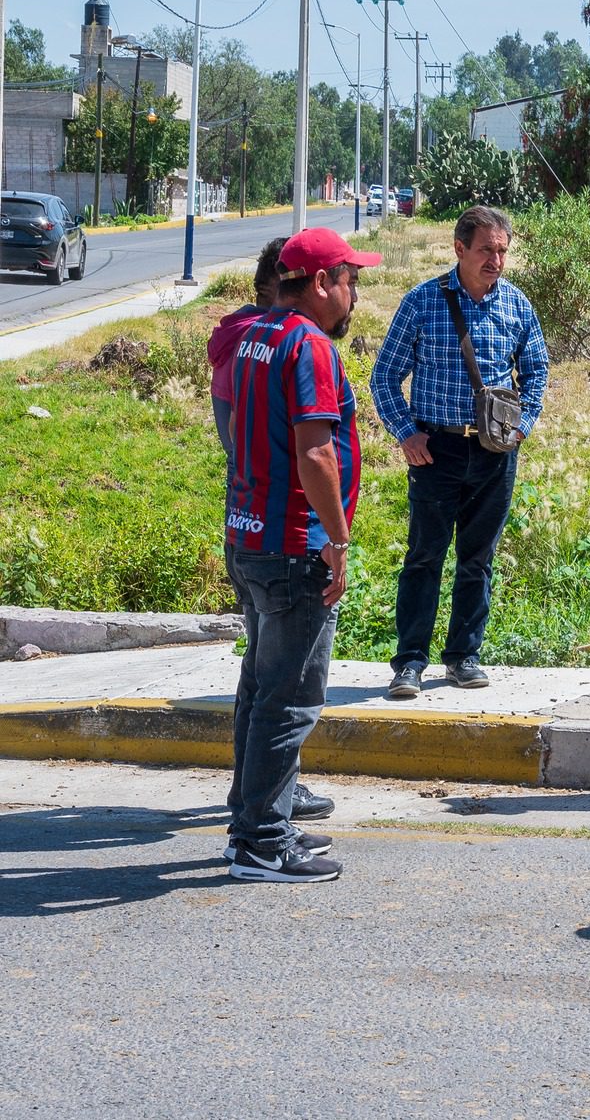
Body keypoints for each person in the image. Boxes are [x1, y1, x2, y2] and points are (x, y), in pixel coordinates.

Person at [221, 226, 380, 882]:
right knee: (288, 699)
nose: (355, 293)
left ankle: (258, 824)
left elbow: (237, 426)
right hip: (292, 548)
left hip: (248, 536)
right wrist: (337, 541)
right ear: (320, 283)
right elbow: (316, 452)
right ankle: (261, 842)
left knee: (260, 690)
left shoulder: (256, 335)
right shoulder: (310, 346)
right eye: (350, 279)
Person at [370, 206, 550, 699]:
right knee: (424, 557)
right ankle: (409, 663)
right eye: (486, 249)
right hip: (435, 450)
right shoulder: (423, 301)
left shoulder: (517, 305)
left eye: (502, 251)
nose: (496, 259)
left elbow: (536, 371)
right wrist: (407, 434)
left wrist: (523, 427)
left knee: (478, 559)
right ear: (459, 249)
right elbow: (384, 375)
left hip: (495, 452)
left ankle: (463, 656)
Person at [207, 237, 287, 454]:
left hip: (237, 459)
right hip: (256, 466)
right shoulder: (266, 336)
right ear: (282, 285)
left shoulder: (236, 325)